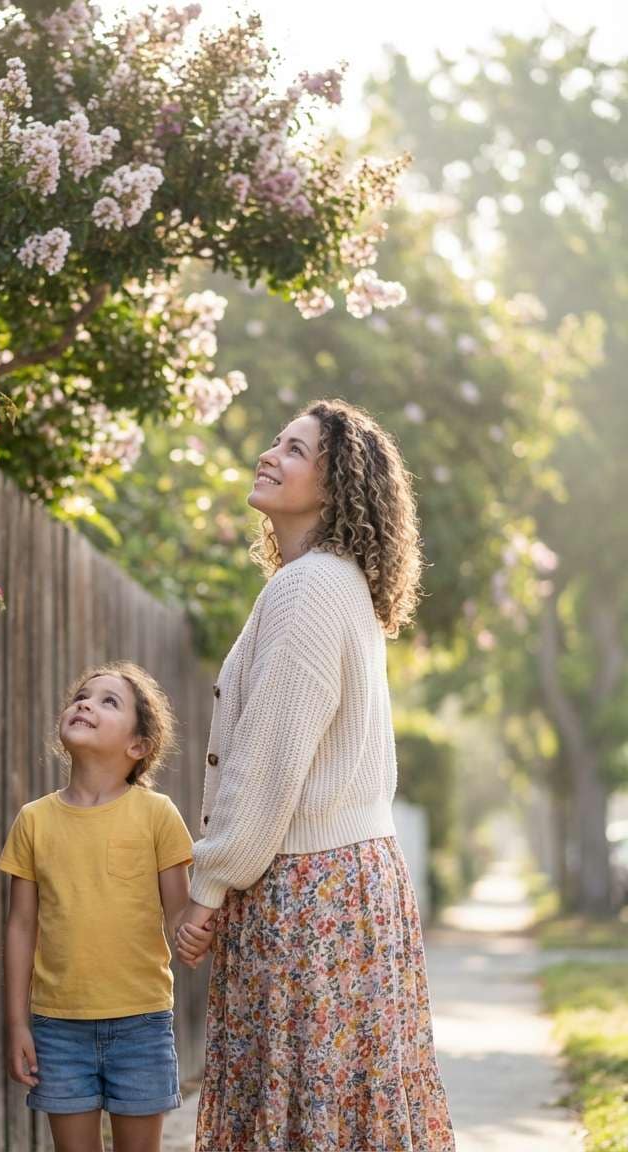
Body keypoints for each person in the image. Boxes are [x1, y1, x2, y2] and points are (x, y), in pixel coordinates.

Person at [176, 398, 455, 1151]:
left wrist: (209, 888)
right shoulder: (335, 584)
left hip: (306, 894)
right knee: (339, 1108)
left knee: (299, 1107)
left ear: (335, 486)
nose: (269, 454)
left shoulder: (307, 590)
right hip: (347, 884)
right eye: (276, 442)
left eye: (294, 450)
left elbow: (267, 765)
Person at [0, 661, 206, 1152]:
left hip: (142, 1022)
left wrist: (192, 932)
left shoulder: (157, 815)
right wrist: (16, 1025)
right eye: (82, 696)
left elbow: (177, 912)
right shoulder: (34, 820)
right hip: (57, 1028)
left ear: (138, 747)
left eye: (107, 701)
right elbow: (20, 926)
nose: (85, 703)